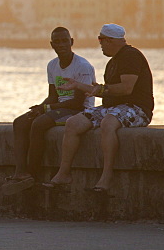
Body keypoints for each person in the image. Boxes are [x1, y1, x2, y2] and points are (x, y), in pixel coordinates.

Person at [45, 24, 154, 194]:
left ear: (110, 41)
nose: (100, 44)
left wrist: (100, 90)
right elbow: (106, 92)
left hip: (137, 109)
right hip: (114, 107)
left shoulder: (130, 56)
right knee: (73, 123)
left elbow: (126, 89)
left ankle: (106, 176)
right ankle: (63, 173)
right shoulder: (113, 62)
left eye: (101, 40)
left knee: (108, 123)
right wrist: (79, 86)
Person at [2, 27, 95, 195]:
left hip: (78, 111)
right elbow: (53, 96)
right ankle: (20, 171)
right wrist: (40, 107)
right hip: (59, 107)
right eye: (57, 42)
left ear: (71, 42)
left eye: (65, 41)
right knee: (21, 122)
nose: (61, 45)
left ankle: (32, 173)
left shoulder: (83, 66)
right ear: (52, 45)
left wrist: (48, 109)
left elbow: (77, 103)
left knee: (39, 124)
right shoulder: (52, 65)